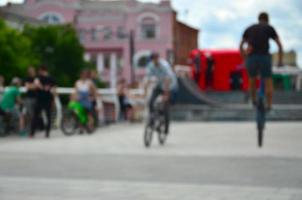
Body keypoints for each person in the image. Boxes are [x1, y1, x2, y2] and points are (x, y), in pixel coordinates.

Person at [240, 12, 283, 110]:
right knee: (268, 80)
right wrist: (280, 61)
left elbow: (241, 46)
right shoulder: (269, 28)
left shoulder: (249, 28)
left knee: (252, 79)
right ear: (267, 20)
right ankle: (269, 104)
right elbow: (279, 45)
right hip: (264, 57)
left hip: (251, 58)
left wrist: (244, 60)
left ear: (258, 19)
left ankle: (253, 100)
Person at [145, 52, 178, 134]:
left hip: (170, 86)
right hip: (159, 85)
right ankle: (152, 120)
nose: (154, 61)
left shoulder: (164, 66)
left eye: (155, 59)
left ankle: (166, 127)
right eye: (153, 60)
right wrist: (145, 91)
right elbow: (148, 79)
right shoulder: (151, 66)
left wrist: (166, 95)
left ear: (158, 58)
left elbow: (168, 80)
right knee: (151, 102)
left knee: (165, 106)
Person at [30, 66, 56, 138]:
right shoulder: (40, 78)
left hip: (44, 100)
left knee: (43, 116)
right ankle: (35, 132)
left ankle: (44, 133)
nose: (39, 72)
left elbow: (53, 90)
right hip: (43, 99)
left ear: (42, 70)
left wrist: (53, 100)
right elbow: (35, 86)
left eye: (40, 70)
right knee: (37, 116)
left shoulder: (48, 78)